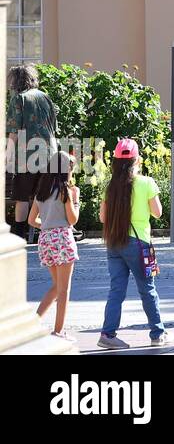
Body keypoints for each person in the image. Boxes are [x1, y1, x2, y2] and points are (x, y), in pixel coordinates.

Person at [98, 138, 168, 349]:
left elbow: (102, 218)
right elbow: (158, 213)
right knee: (147, 289)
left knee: (116, 291)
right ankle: (157, 333)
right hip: (138, 244)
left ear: (116, 162)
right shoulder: (146, 183)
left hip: (114, 243)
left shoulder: (109, 187)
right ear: (137, 159)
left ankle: (108, 334)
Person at [28, 149, 79, 341]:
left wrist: (48, 225)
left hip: (45, 240)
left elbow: (32, 220)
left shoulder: (41, 192)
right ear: (66, 169)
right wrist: (76, 201)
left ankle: (33, 322)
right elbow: (72, 220)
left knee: (56, 286)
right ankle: (58, 331)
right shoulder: (65, 190)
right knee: (64, 289)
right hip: (62, 239)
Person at [6, 64, 58, 245]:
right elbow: (54, 127)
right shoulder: (45, 97)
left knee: (22, 196)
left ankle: (19, 235)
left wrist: (7, 155)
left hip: (26, 156)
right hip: (50, 153)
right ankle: (46, 233)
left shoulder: (18, 99)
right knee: (44, 195)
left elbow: (14, 131)